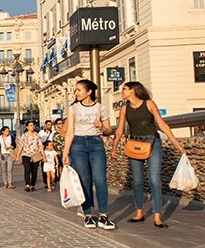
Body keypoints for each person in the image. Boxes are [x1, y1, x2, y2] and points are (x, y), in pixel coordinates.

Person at [111, 81, 187, 228]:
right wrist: (114, 147)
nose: (122, 91)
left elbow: (162, 124)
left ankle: (157, 216)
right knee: (138, 181)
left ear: (133, 90)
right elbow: (119, 130)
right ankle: (139, 212)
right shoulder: (124, 109)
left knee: (154, 180)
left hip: (153, 143)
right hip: (134, 144)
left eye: (125, 89)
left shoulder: (149, 104)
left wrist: (177, 144)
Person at [62, 79, 116, 230]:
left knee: (100, 180)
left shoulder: (101, 108)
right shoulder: (73, 108)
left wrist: (102, 127)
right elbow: (70, 132)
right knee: (84, 180)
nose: (76, 93)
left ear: (89, 92)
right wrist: (65, 153)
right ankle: (88, 214)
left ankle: (103, 216)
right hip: (78, 145)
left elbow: (108, 130)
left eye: (79, 90)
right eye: (76, 90)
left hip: (96, 144)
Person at [18, 121, 42, 192]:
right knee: (27, 170)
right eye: (31, 125)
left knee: (34, 171)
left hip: (35, 155)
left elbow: (40, 145)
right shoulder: (24, 135)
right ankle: (27, 185)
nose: (32, 127)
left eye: (33, 125)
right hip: (26, 155)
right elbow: (20, 146)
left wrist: (43, 155)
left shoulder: (37, 135)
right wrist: (17, 156)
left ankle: (33, 185)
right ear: (27, 127)